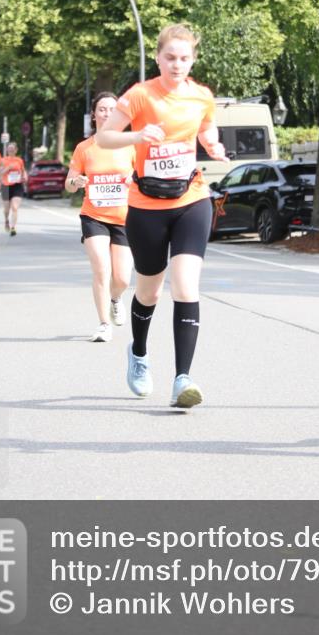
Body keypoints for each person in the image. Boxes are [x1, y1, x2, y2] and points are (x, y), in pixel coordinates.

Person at [97, 25, 229, 407]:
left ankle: (182, 379)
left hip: (191, 199)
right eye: (170, 57)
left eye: (184, 58)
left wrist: (214, 146)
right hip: (145, 207)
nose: (177, 64)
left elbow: (207, 130)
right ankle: (138, 353)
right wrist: (138, 137)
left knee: (186, 286)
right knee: (150, 290)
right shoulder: (140, 96)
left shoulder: (201, 97)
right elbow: (105, 137)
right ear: (158, 58)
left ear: (193, 60)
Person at [65, 92, 135, 343]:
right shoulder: (85, 148)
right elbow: (69, 184)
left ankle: (115, 298)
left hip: (125, 217)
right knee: (101, 270)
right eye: (102, 109)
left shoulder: (129, 144)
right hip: (93, 215)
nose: (107, 113)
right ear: (94, 115)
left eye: (112, 109)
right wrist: (77, 180)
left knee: (123, 278)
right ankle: (104, 323)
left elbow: (142, 177)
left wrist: (133, 179)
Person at [0, 142, 27, 236]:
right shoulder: (3, 160)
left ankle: (13, 227)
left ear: (16, 150)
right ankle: (6, 220)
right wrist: (8, 168)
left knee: (14, 207)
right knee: (6, 209)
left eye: (12, 149)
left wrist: (25, 177)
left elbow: (23, 171)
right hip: (6, 186)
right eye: (9, 149)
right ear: (7, 150)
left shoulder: (19, 160)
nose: (10, 150)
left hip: (17, 186)